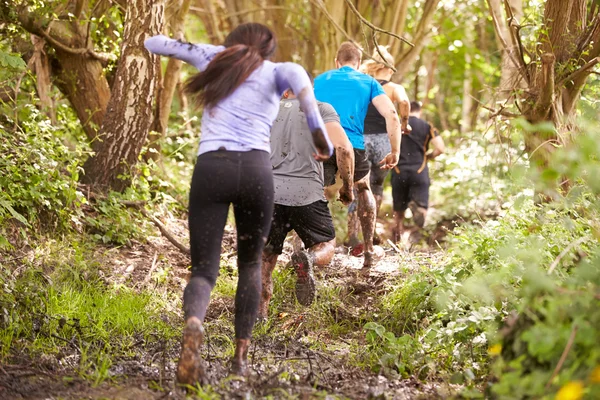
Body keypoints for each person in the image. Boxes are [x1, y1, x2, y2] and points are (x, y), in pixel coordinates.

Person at [144, 23, 333, 385]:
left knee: (203, 269)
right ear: (269, 48)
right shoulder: (283, 71)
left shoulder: (212, 57)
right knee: (249, 264)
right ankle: (240, 361)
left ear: (230, 45)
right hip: (256, 173)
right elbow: (311, 111)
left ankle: (194, 328)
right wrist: (322, 147)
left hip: (211, 167)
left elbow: (153, 41)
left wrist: (211, 50)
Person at [259, 83, 354, 319]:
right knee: (326, 244)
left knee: (264, 257)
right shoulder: (321, 108)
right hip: (306, 195)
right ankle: (309, 260)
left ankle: (259, 317)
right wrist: (347, 187)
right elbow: (343, 148)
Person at [314, 42, 407, 270]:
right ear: (358, 63)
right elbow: (392, 115)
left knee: (314, 191)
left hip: (322, 145)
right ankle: (368, 252)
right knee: (363, 188)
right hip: (354, 145)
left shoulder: (319, 80)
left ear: (336, 62)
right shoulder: (369, 82)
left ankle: (309, 248)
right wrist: (395, 151)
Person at [348, 46, 410, 246]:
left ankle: (352, 236)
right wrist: (403, 123)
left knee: (358, 186)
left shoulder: (361, 84)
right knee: (376, 186)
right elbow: (405, 102)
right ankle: (371, 233)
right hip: (383, 140)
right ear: (390, 68)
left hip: (361, 140)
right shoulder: (393, 88)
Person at [391, 101, 445, 241]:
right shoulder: (427, 126)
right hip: (419, 171)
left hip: (399, 170)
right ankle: (417, 214)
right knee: (422, 207)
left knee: (398, 210)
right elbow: (440, 148)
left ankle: (397, 238)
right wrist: (428, 157)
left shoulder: (395, 125)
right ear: (419, 111)